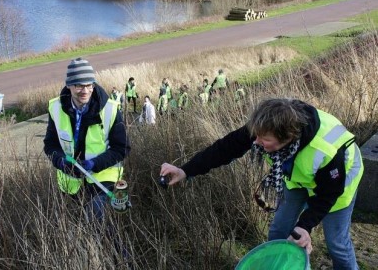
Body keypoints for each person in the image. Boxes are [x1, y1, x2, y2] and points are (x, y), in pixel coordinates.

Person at [160, 98, 363, 270]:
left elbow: (328, 194)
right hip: (299, 178)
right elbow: (225, 148)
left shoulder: (325, 150)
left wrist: (305, 226)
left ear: (288, 137)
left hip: (339, 183)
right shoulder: (265, 127)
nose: (255, 142)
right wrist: (186, 170)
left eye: (264, 139)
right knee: (279, 231)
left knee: (337, 243)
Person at [44, 58, 130, 223]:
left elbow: (122, 148)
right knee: (78, 224)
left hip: (104, 179)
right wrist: (61, 162)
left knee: (97, 219)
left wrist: (93, 164)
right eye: (79, 85)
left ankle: (115, 249)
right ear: (69, 85)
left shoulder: (110, 109)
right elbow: (50, 145)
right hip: (70, 183)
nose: (85, 90)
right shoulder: (55, 108)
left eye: (89, 84)